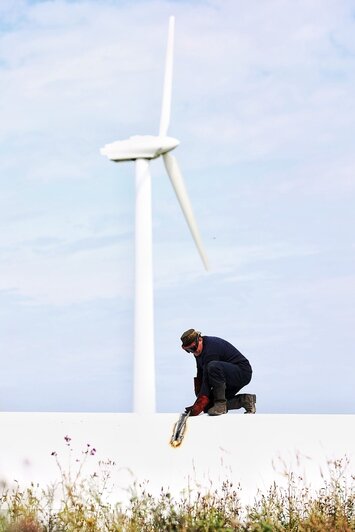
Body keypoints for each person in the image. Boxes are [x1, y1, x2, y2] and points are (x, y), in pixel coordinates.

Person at [181, 328, 256, 416]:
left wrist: (201, 401)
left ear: (200, 339)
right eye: (188, 350)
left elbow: (206, 379)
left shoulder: (211, 349)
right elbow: (201, 373)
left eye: (193, 348)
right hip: (224, 377)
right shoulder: (198, 351)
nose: (193, 352)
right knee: (208, 406)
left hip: (242, 372)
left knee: (213, 366)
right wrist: (198, 401)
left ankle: (220, 404)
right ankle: (245, 400)